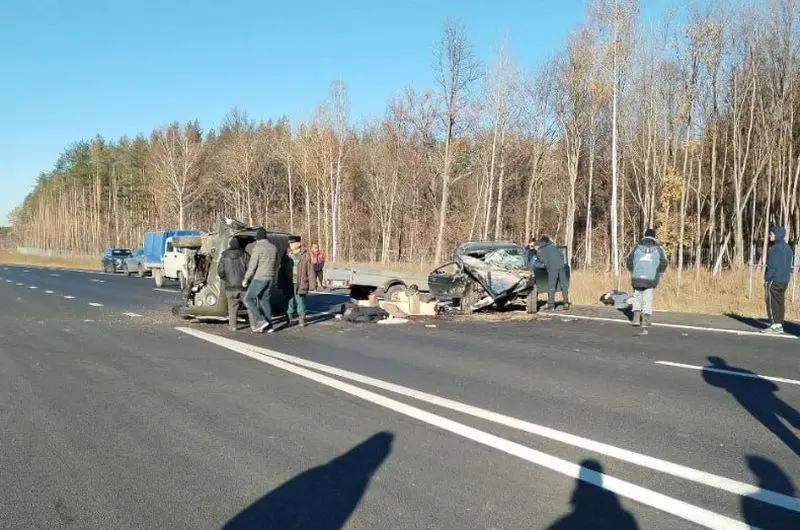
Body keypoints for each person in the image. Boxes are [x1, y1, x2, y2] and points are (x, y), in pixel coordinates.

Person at [625, 228, 668, 328]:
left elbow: (629, 260)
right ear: (654, 236)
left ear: (645, 235)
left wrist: (632, 270)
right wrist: (660, 272)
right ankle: (645, 320)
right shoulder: (658, 248)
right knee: (648, 296)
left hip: (637, 276)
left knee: (637, 295)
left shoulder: (636, 246)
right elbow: (664, 262)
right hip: (651, 277)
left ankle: (635, 319)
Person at [243, 228, 278, 333]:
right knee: (264, 300)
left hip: (259, 277)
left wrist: (246, 278)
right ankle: (269, 326)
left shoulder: (258, 248)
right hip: (270, 277)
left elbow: (252, 265)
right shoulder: (273, 247)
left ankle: (260, 320)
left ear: (258, 238)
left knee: (248, 299)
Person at [763, 225, 793, 334]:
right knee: (780, 302)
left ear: (777, 235)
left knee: (771, 302)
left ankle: (774, 325)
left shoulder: (774, 248)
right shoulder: (788, 248)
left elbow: (772, 266)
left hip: (774, 279)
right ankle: (779, 324)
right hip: (784, 280)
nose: (769, 236)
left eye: (771, 234)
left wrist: (767, 279)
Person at [217, 237, 249, 331]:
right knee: (250, 305)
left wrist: (226, 278)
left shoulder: (224, 256)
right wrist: (247, 280)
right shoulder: (244, 254)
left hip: (230, 286)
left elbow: (220, 271)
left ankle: (233, 326)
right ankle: (255, 325)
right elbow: (250, 268)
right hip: (243, 286)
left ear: (230, 245)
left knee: (232, 307)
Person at [285, 235, 318, 328]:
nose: (290, 245)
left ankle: (302, 319)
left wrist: (312, 285)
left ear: (298, 244)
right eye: (290, 243)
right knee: (289, 301)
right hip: (289, 282)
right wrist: (281, 281)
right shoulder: (287, 253)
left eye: (292, 243)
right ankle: (289, 318)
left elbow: (310, 270)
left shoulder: (305, 255)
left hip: (301, 282)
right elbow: (282, 268)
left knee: (301, 301)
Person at [534, 235, 570, 311]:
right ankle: (566, 303)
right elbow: (562, 255)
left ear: (541, 242)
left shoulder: (541, 250)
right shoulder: (554, 247)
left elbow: (541, 261)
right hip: (561, 266)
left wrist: (546, 265)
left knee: (552, 286)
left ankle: (551, 305)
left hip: (552, 268)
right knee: (564, 285)